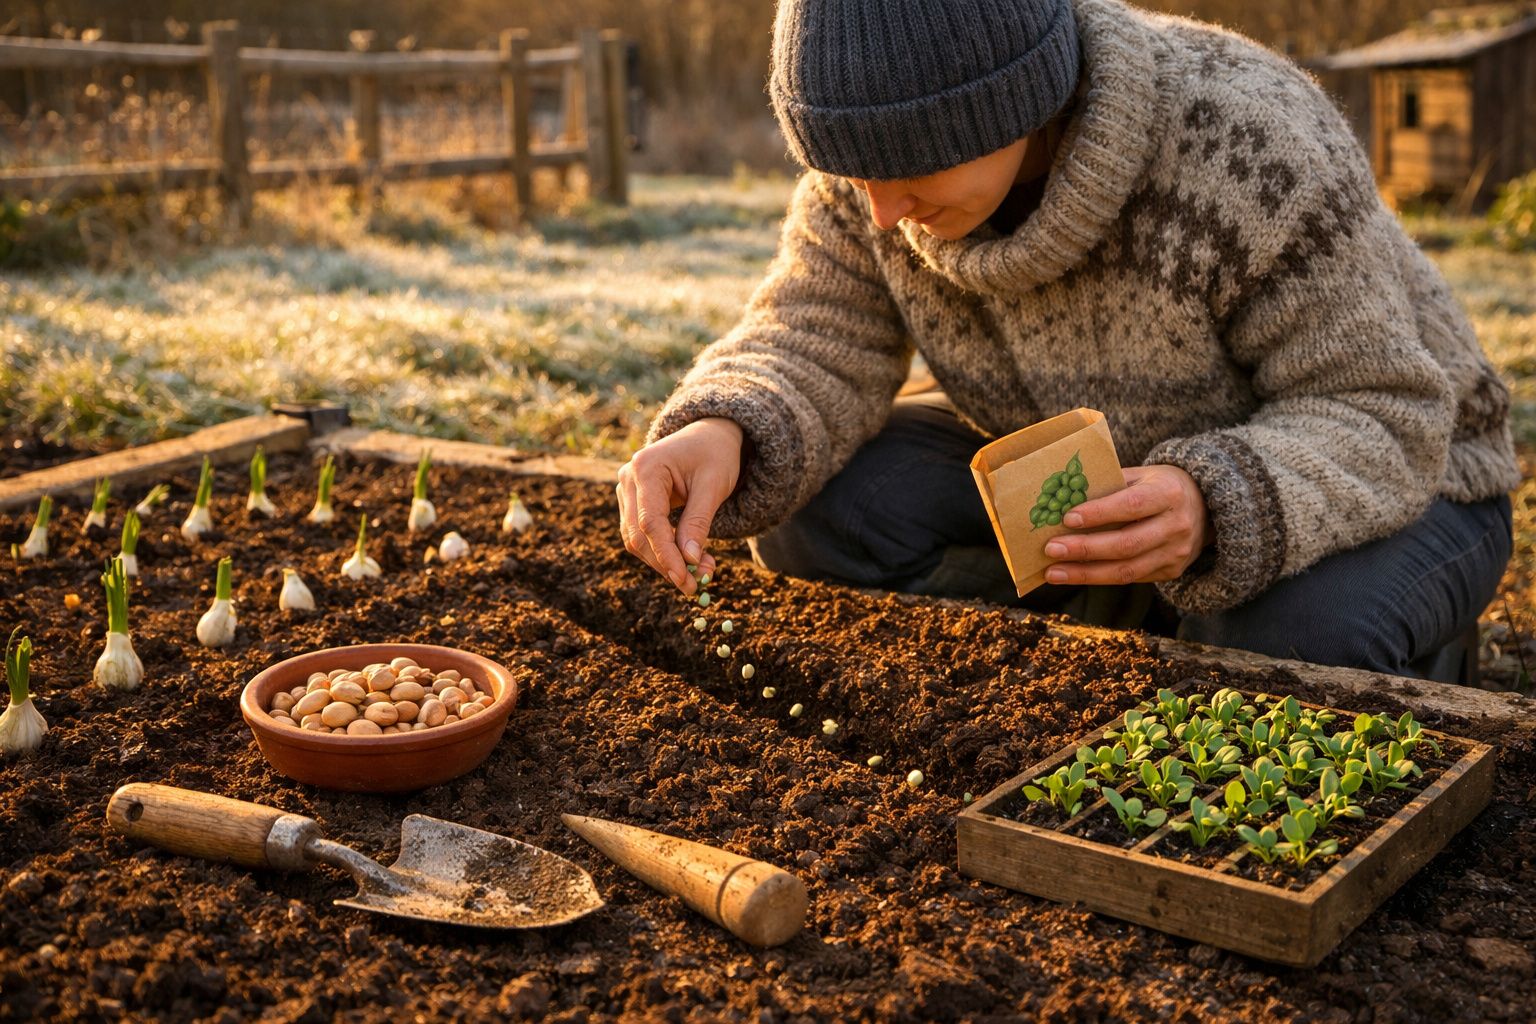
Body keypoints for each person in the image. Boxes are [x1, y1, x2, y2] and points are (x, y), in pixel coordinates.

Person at [616, 0, 1519, 679]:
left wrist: (1214, 501)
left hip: (1403, 482)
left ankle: (1419, 647)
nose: (881, 216)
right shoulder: (875, 175)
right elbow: (814, 335)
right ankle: (1128, 619)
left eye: (909, 172)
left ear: (1014, 102)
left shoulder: (1248, 139)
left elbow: (1387, 413)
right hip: (1108, 479)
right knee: (818, 509)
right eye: (849, 176)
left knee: (1292, 646)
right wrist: (727, 426)